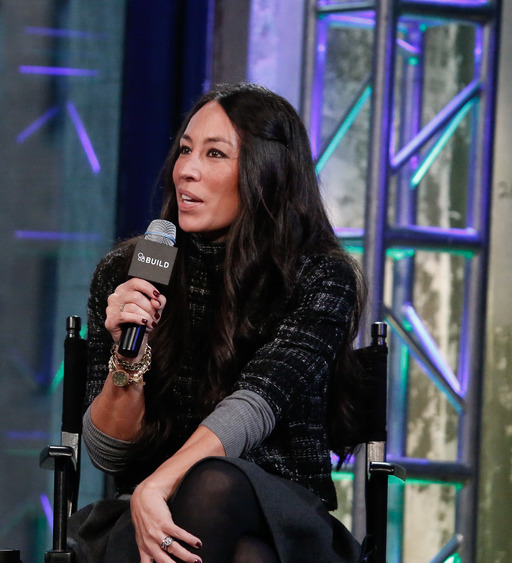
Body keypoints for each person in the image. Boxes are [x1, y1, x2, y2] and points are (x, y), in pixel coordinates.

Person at [70, 83, 366, 563]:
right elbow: (108, 455)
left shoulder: (319, 275)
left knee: (215, 485)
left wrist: (160, 483)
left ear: (265, 172)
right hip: (150, 517)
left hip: (279, 514)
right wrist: (128, 355)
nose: (186, 170)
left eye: (214, 154)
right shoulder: (127, 271)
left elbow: (256, 406)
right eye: (185, 150)